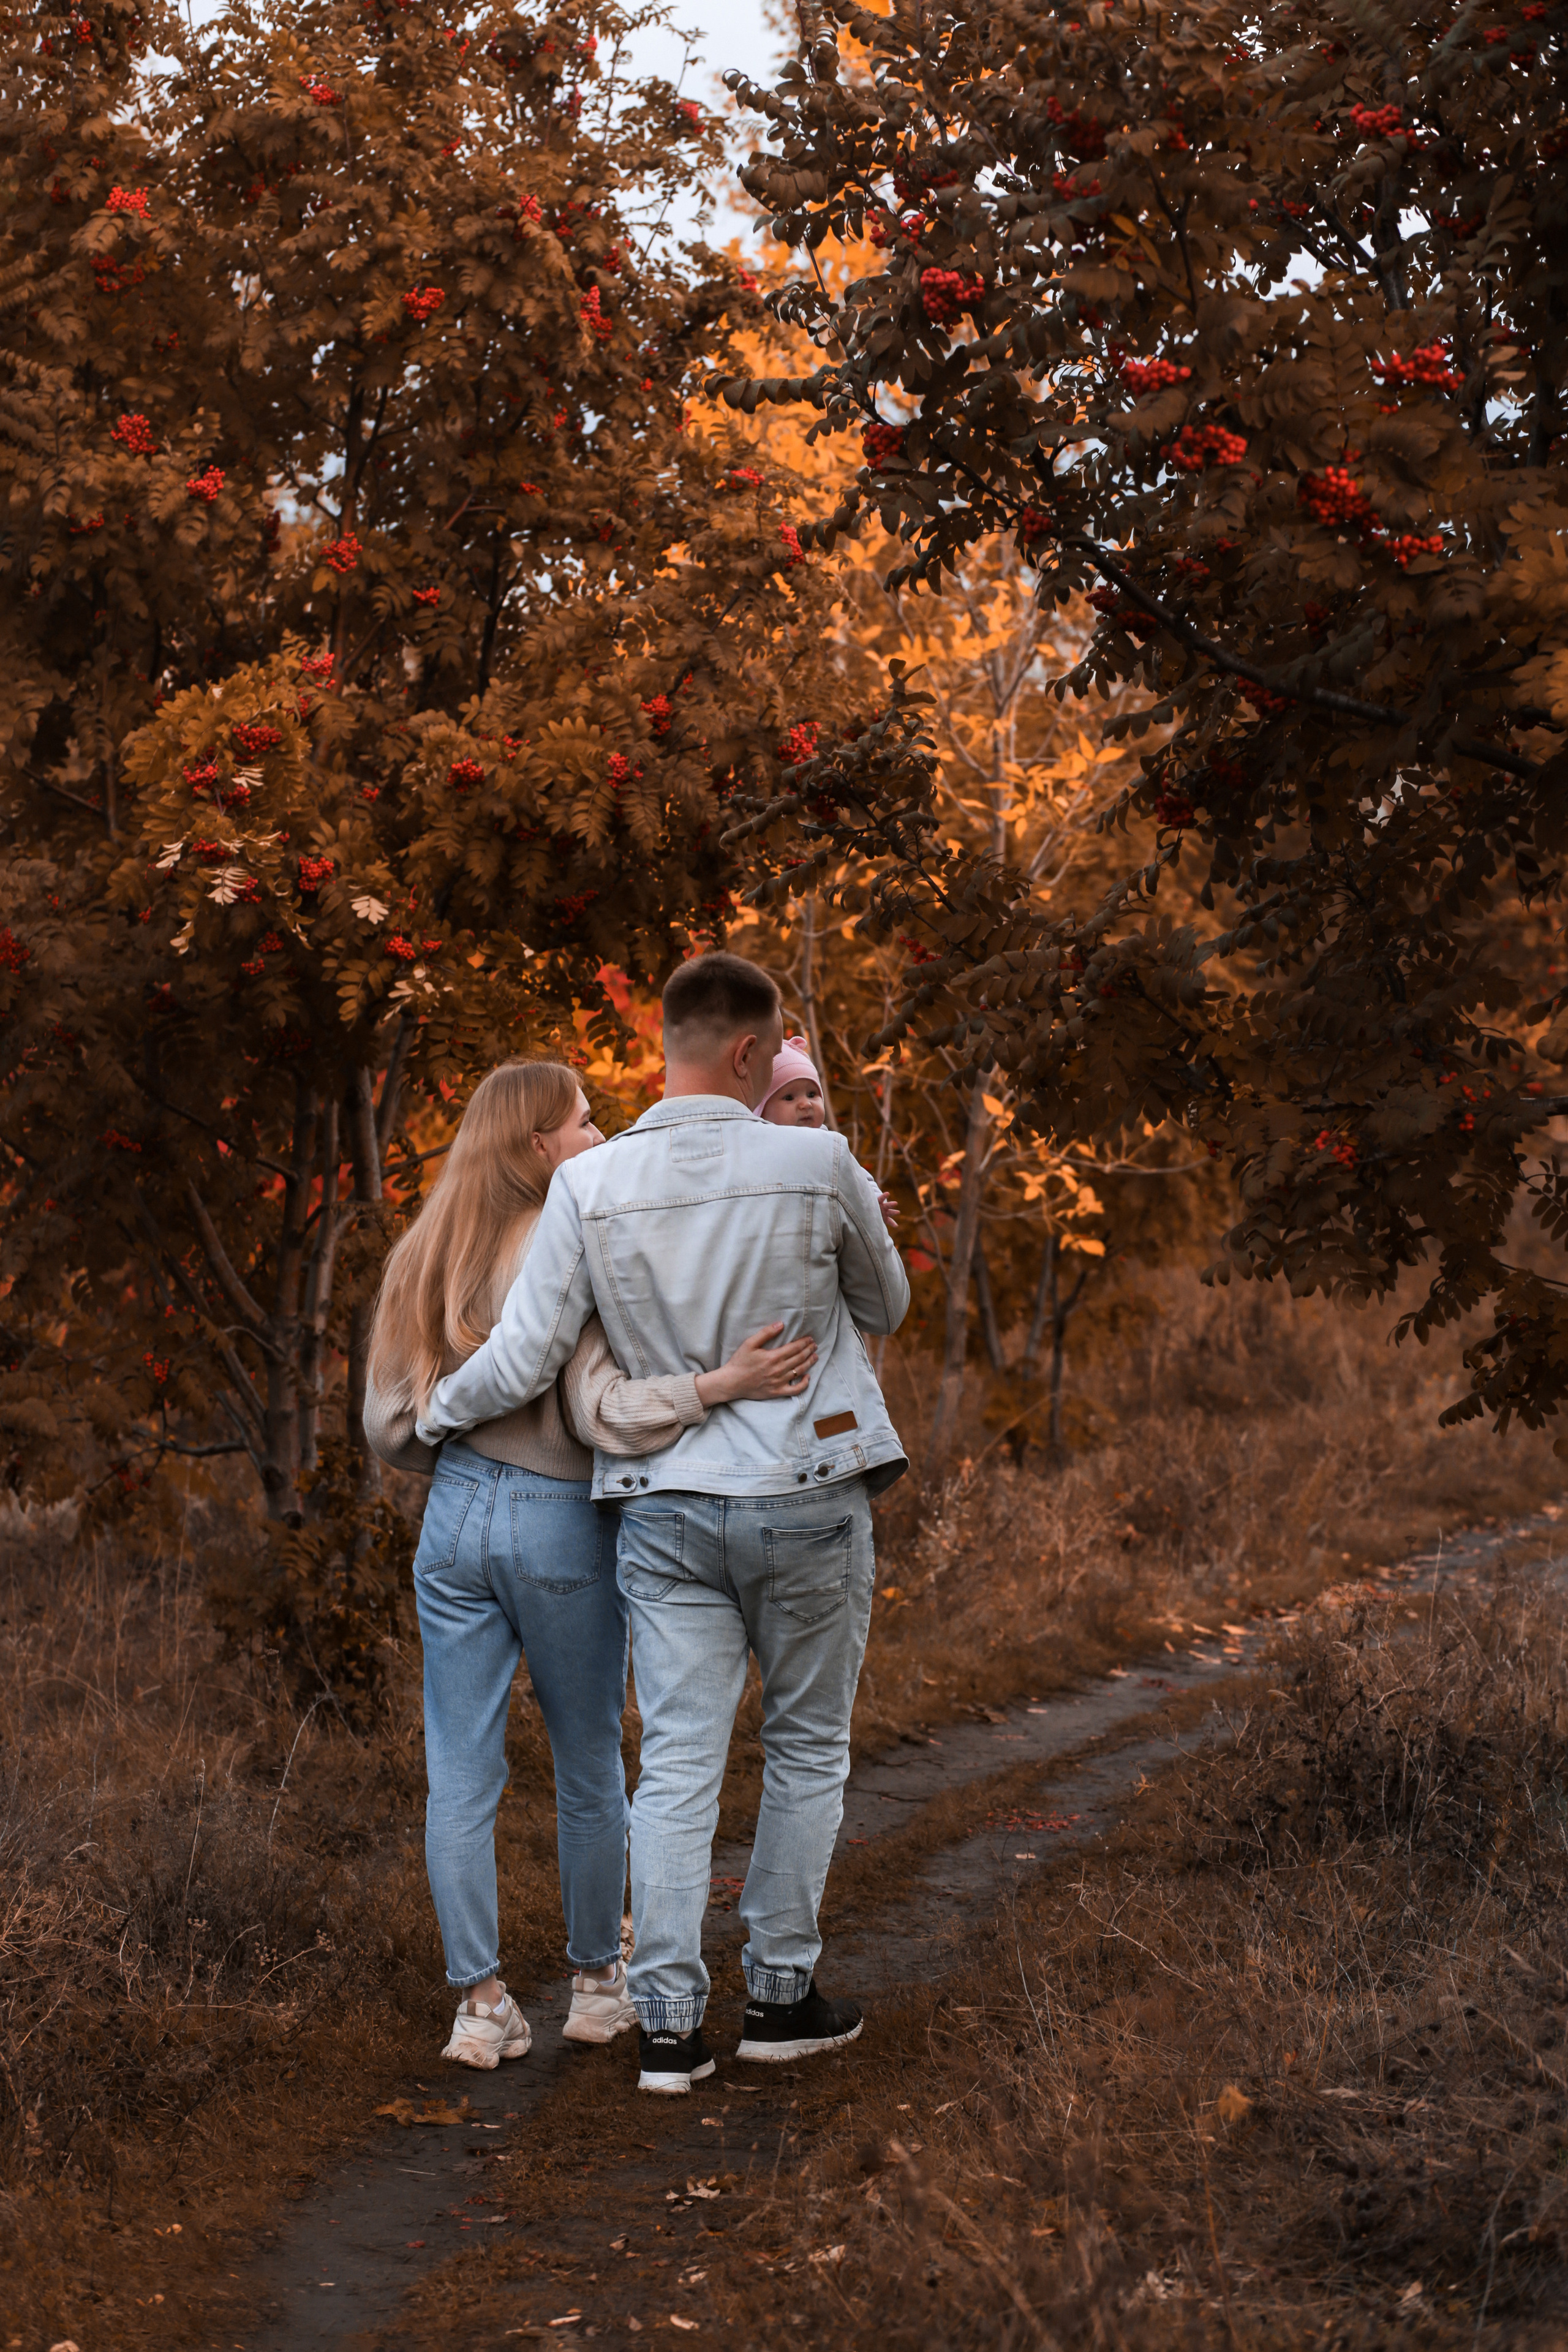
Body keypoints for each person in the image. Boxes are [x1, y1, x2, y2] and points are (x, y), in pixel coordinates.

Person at [416, 953, 910, 2095]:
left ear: (668, 1041)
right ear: (748, 1053)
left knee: (678, 1761)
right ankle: (779, 1999)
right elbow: (885, 1302)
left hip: (665, 1509)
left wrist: (435, 1414)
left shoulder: (591, 1185)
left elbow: (526, 1358)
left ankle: (672, 2031)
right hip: (804, 1493)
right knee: (804, 1746)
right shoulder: (820, 1161)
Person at [364, 1058, 818, 2071]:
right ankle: (597, 1986)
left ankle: (480, 2006)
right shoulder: (573, 1239)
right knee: (588, 1765)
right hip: (560, 1516)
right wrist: (717, 1386)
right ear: (538, 1146)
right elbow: (597, 1409)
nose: (600, 1137)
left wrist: (457, 1446)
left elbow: (386, 1427)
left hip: (452, 1517)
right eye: (583, 1122)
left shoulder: (420, 1252)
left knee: (458, 1774)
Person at [755, 1035, 900, 1232]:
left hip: (823, 1229)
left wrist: (874, 1203)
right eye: (789, 1097)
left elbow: (858, 1178)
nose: (806, 1104)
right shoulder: (758, 1148)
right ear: (761, 1109)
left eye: (812, 1094)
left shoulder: (829, 1145)